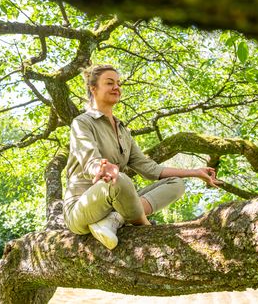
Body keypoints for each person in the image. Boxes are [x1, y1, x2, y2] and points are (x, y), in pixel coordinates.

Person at [64, 64, 221, 250]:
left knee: (177, 184)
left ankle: (116, 219)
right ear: (93, 88)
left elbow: (150, 169)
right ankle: (143, 226)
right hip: (82, 207)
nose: (117, 87)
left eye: (118, 83)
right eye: (109, 83)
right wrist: (103, 168)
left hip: (115, 205)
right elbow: (89, 160)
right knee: (119, 181)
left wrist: (194, 172)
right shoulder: (82, 123)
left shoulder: (123, 131)